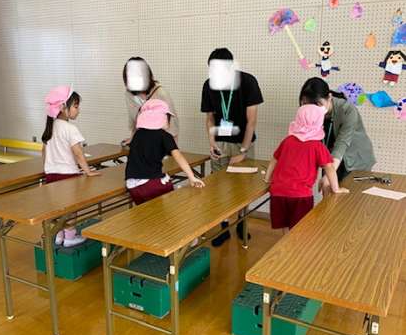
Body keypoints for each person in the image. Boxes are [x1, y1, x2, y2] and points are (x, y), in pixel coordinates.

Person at [201, 47, 264, 246]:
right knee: (219, 187)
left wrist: (244, 151)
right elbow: (210, 118)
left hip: (242, 142)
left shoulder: (248, 82)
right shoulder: (208, 85)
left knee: (242, 187)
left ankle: (241, 224)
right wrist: (212, 143)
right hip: (220, 141)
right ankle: (223, 227)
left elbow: (251, 121)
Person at [264, 104, 349, 234]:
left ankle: (286, 244)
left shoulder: (287, 141)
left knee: (285, 225)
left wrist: (267, 178)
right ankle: (294, 246)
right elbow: (330, 168)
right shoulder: (317, 146)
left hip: (278, 193)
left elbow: (274, 160)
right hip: (300, 196)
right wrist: (336, 189)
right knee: (300, 229)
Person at [42, 85, 100, 247]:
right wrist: (88, 171)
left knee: (58, 207)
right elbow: (78, 153)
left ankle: (59, 235)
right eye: (75, 106)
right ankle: (69, 237)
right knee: (71, 209)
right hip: (67, 175)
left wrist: (47, 167)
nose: (78, 110)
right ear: (63, 108)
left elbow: (44, 151)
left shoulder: (50, 127)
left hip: (51, 174)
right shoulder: (70, 128)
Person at [299, 77, 376, 194]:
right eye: (306, 105)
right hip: (331, 160)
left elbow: (342, 143)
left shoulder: (347, 109)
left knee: (350, 198)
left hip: (355, 160)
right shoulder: (307, 113)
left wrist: (329, 175)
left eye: (318, 104)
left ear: (329, 97)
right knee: (329, 196)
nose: (313, 110)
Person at [125, 99, 204, 205]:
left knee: (146, 211)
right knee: (168, 204)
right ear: (162, 119)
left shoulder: (138, 134)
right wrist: (192, 177)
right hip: (151, 183)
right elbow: (178, 157)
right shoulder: (165, 136)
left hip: (132, 185)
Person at [123, 57, 178, 143]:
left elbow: (172, 124)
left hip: (160, 141)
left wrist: (172, 146)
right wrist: (132, 138)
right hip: (142, 140)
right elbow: (133, 119)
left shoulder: (161, 93)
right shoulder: (129, 94)